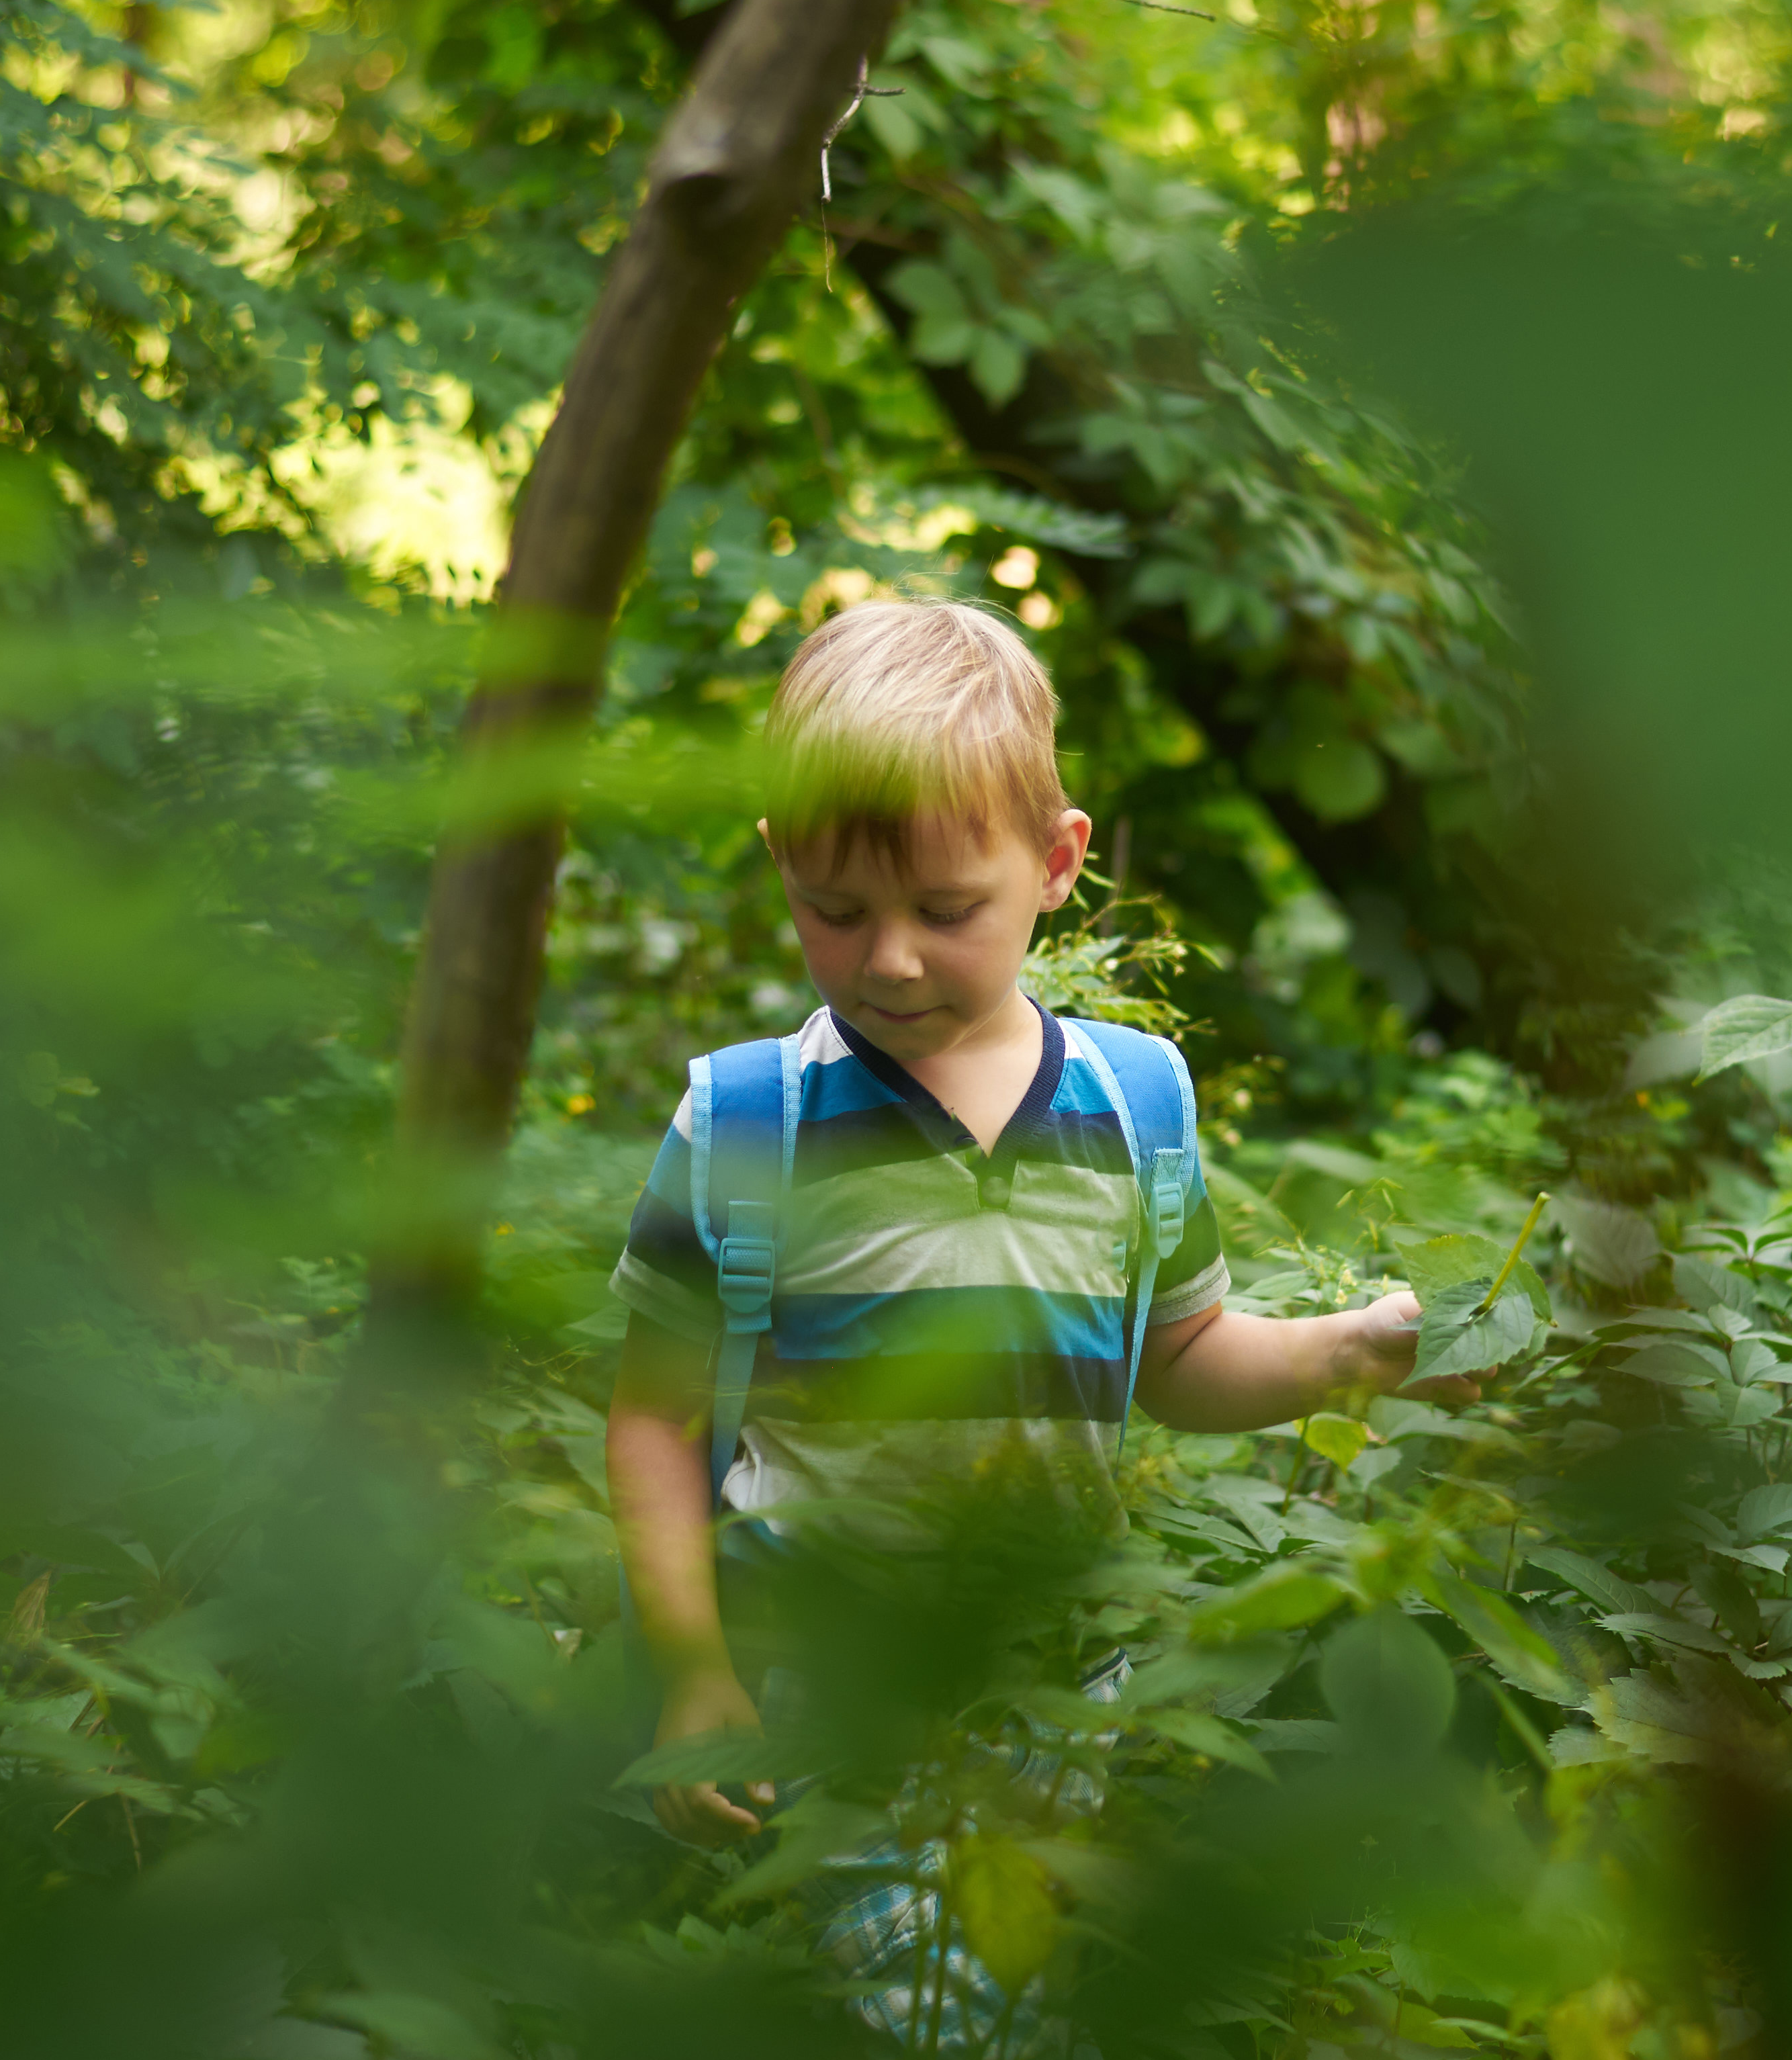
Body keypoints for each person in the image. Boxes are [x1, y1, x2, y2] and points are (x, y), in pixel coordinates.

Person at [601, 594, 1462, 1846]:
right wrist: (692, 1672)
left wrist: (1345, 1354)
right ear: (780, 856)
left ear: (1057, 864)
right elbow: (652, 1418)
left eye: (945, 911)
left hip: (1060, 1680)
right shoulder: (745, 1121)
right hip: (821, 1670)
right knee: (923, 2019)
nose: (888, 960)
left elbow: (1175, 1356)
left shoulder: (1136, 1098)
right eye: (836, 910)